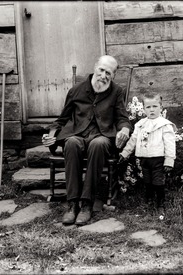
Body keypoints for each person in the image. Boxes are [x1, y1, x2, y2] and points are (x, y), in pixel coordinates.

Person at [42, 55, 132, 226]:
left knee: (98, 145)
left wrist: (125, 129)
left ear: (113, 76)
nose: (104, 76)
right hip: (78, 134)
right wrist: (51, 134)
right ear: (95, 67)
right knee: (71, 143)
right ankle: (73, 204)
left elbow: (122, 118)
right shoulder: (76, 90)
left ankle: (87, 205)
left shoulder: (116, 92)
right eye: (102, 70)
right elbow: (62, 119)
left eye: (109, 73)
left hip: (102, 136)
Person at [118, 92, 176, 215]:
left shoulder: (164, 125)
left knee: (158, 182)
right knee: (147, 181)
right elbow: (133, 140)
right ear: (143, 109)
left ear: (161, 107)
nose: (152, 110)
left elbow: (170, 144)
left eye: (155, 106)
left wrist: (169, 160)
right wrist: (125, 153)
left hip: (158, 159)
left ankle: (160, 203)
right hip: (144, 159)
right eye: (148, 107)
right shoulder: (140, 125)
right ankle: (149, 202)